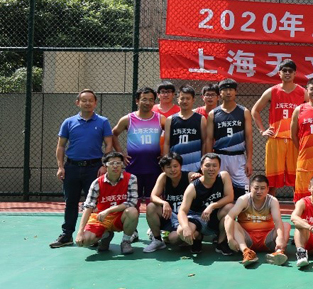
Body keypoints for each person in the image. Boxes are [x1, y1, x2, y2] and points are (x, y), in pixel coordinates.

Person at [51, 89, 114, 248]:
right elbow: (61, 146)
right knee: (71, 202)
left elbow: (109, 144)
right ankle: (67, 235)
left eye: (90, 100)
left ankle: (94, 235)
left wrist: (104, 165)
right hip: (71, 168)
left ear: (95, 103)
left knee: (94, 203)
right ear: (77, 103)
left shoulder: (103, 122)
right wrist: (60, 167)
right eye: (84, 100)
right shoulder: (68, 122)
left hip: (94, 168)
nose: (87, 103)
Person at [251, 59, 307, 191]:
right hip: (276, 140)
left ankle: (297, 204)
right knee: (272, 181)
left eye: (290, 71)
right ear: (279, 73)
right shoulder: (272, 91)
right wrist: (262, 130)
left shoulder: (302, 92)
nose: (287, 73)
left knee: (297, 178)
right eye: (284, 70)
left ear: (295, 74)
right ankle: (271, 204)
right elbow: (255, 111)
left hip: (295, 140)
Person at [112, 86, 164, 219]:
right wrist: (120, 153)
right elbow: (113, 134)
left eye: (151, 100)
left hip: (154, 167)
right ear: (137, 101)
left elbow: (170, 137)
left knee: (153, 203)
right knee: (132, 202)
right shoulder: (128, 119)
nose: (148, 102)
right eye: (144, 99)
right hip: (134, 167)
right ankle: (132, 228)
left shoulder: (161, 119)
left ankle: (154, 228)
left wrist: (164, 153)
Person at [73, 151, 139, 254]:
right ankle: (106, 235)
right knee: (83, 242)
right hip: (101, 218)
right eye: (111, 163)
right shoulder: (97, 183)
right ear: (105, 165)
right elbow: (88, 207)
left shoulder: (131, 178)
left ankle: (126, 241)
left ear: (122, 164)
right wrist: (80, 232)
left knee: (132, 211)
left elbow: (132, 202)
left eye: (118, 163)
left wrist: (108, 210)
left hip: (119, 217)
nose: (115, 166)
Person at [225, 174, 289, 267]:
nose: (259, 191)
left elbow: (278, 221)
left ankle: (279, 252)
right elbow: (229, 217)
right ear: (250, 188)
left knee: (285, 225)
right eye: (256, 188)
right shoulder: (244, 199)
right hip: (247, 238)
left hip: (268, 239)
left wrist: (280, 238)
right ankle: (246, 252)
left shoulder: (272, 201)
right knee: (233, 223)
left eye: (262, 188)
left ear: (267, 189)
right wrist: (230, 239)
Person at [178, 153, 235, 255]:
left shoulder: (223, 176)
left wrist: (212, 206)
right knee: (181, 231)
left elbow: (230, 197)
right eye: (207, 165)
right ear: (201, 167)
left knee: (230, 207)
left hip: (214, 216)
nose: (211, 169)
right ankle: (197, 238)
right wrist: (186, 227)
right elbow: (182, 211)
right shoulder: (193, 187)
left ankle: (221, 243)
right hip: (197, 217)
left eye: (214, 165)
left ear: (219, 167)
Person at [206, 79, 252, 197]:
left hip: (238, 157)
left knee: (244, 193)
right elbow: (209, 139)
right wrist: (208, 159)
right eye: (225, 90)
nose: (228, 92)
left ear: (235, 92)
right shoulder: (213, 114)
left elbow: (248, 137)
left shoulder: (244, 111)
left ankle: (241, 210)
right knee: (219, 192)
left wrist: (249, 161)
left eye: (231, 89)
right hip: (220, 156)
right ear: (220, 93)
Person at [144, 153, 191, 253]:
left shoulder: (189, 177)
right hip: (170, 215)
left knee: (173, 239)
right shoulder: (163, 177)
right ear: (163, 169)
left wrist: (199, 177)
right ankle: (157, 240)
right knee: (151, 207)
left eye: (175, 166)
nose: (172, 170)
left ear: (180, 166)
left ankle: (191, 236)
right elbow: (153, 196)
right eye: (169, 167)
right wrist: (164, 203)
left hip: (187, 217)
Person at [163, 85, 207, 173]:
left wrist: (203, 163)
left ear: (193, 100)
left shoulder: (201, 119)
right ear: (177, 99)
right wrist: (166, 163)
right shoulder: (170, 120)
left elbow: (204, 142)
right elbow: (167, 143)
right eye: (182, 98)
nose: (185, 101)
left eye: (188, 98)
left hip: (195, 165)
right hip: (175, 166)